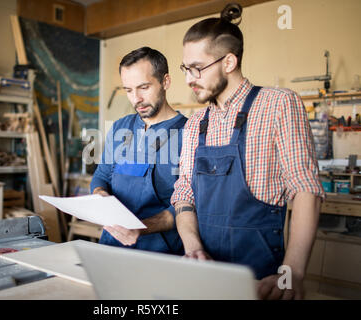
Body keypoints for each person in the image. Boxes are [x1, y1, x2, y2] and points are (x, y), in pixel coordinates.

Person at [171, 3, 325, 299]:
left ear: (228, 62)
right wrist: (193, 248)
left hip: (262, 279)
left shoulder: (278, 104)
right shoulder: (195, 124)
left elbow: (306, 188)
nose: (189, 78)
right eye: (185, 69)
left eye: (197, 68)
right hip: (205, 275)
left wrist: (292, 272)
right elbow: (183, 193)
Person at [90, 46, 188, 254]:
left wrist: (141, 227)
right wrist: (100, 194)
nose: (136, 99)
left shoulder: (189, 133)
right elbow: (102, 175)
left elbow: (190, 204)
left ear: (165, 82)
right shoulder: (120, 127)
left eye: (143, 87)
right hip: (112, 245)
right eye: (128, 90)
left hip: (161, 251)